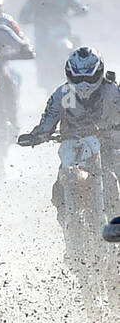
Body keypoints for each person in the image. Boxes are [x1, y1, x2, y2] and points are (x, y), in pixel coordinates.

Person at [18, 47, 120, 223]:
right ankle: (67, 225)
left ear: (100, 73)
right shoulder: (62, 94)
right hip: (75, 153)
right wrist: (37, 135)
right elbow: (47, 122)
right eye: (78, 78)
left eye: (89, 78)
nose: (83, 84)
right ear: (68, 75)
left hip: (110, 148)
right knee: (59, 186)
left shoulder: (114, 92)